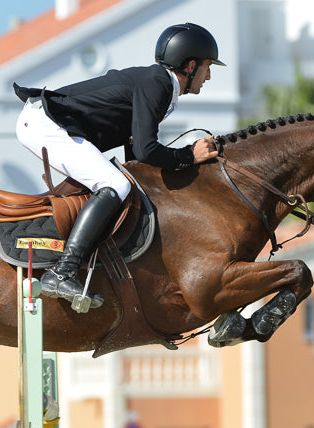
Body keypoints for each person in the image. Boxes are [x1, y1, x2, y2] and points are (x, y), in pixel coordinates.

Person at [14, 22, 224, 312]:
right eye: (207, 67)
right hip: (45, 124)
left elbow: (134, 154)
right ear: (190, 66)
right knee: (115, 185)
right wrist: (189, 156)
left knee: (122, 182)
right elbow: (145, 149)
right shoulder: (158, 84)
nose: (209, 75)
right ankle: (63, 271)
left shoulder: (159, 86)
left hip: (48, 123)